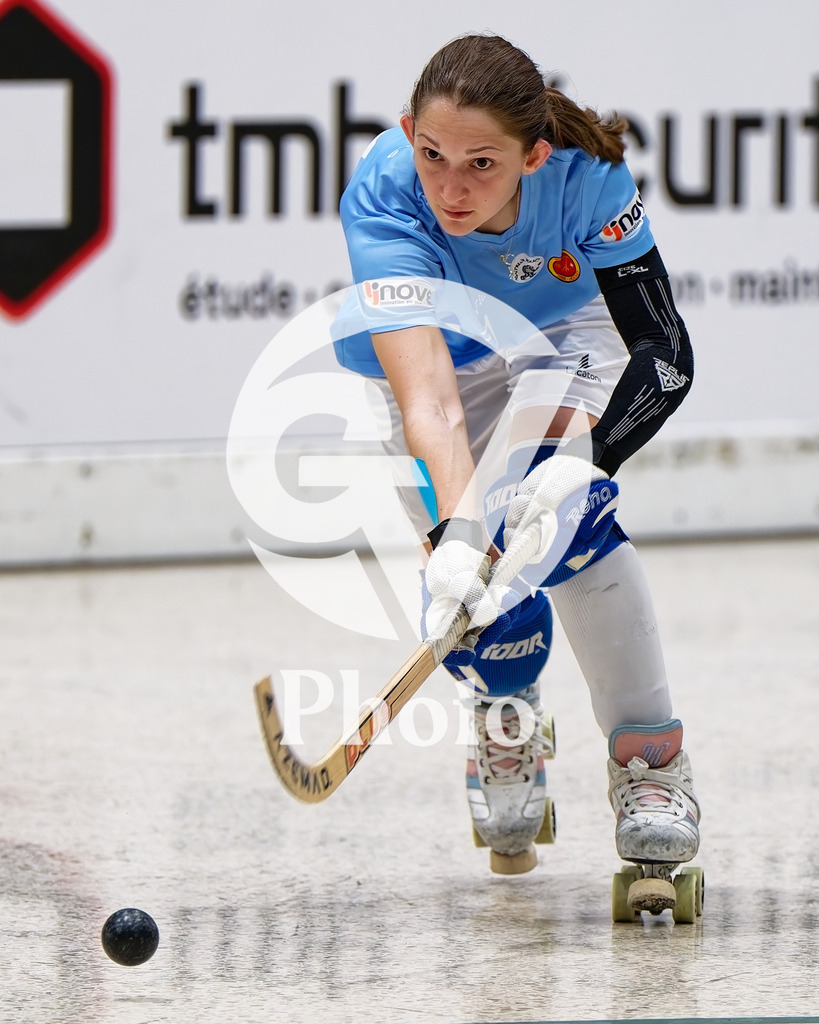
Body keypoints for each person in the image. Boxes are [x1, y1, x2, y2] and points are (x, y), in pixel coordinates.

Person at [333, 33, 700, 890]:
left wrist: (587, 458)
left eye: (482, 163)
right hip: (455, 356)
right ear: (404, 134)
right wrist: (458, 534)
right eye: (432, 155)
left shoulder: (587, 179)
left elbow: (665, 351)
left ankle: (651, 767)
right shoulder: (386, 194)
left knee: (559, 527)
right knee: (473, 574)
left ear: (532, 157)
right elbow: (429, 401)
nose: (450, 189)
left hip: (564, 338)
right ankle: (507, 724)